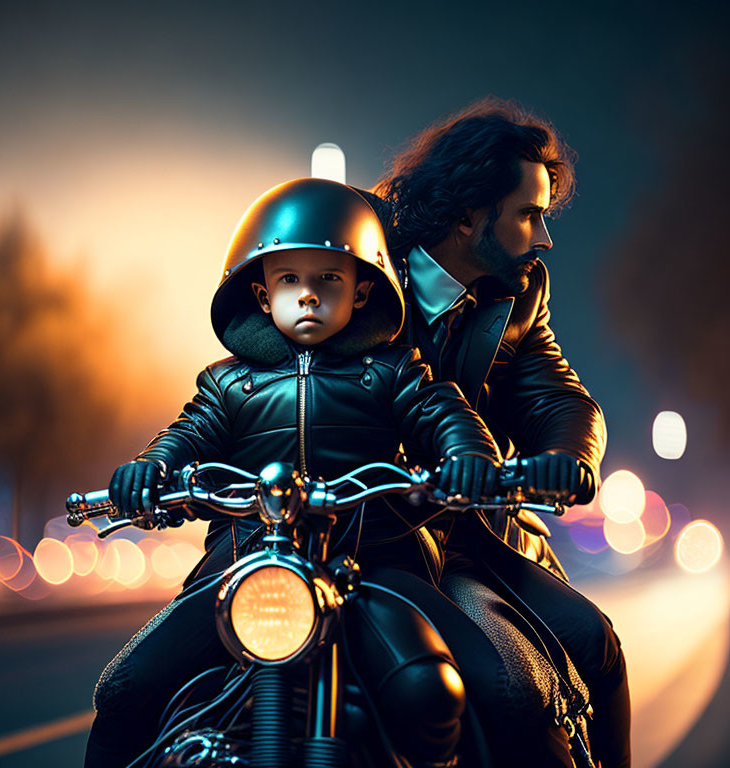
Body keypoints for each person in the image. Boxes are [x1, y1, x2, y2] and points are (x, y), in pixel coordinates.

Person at [87, 178, 570, 768]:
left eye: (329, 279)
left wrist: (468, 459)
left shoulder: (395, 370)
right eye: (289, 279)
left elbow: (444, 413)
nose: (308, 296)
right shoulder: (225, 383)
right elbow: (186, 435)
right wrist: (150, 470)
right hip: (244, 564)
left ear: (363, 292)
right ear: (262, 295)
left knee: (457, 689)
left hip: (379, 564)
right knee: (123, 690)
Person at [368, 96, 631, 768]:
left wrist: (568, 458)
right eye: (528, 215)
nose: (543, 238)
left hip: (468, 542)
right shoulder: (359, 276)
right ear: (465, 213)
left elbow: (558, 395)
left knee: (587, 645)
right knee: (145, 685)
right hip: (353, 532)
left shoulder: (518, 292)